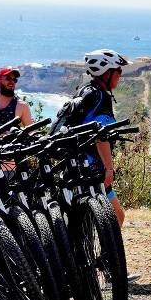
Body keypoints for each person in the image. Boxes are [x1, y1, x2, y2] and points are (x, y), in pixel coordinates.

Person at [57, 49, 129, 223]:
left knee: (80, 220)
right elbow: (100, 137)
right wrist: (109, 169)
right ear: (107, 72)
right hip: (92, 168)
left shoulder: (84, 92)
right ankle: (108, 251)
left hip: (73, 165)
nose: (120, 75)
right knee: (117, 216)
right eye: (118, 71)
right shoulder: (101, 98)